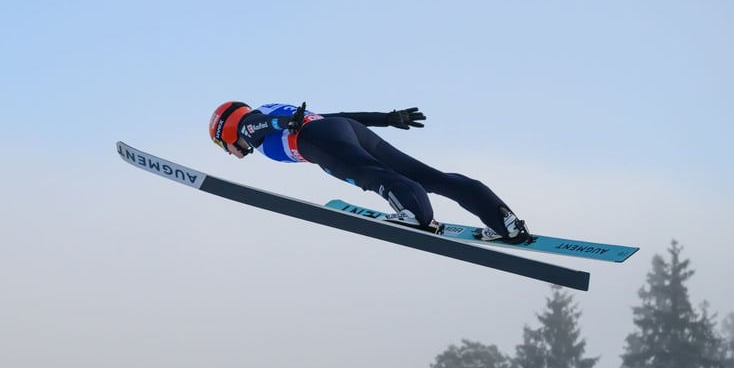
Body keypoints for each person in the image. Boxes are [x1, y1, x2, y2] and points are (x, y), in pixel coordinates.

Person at [207, 101, 531, 244]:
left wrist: (282, 125)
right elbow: (338, 115)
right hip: (343, 129)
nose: (233, 153)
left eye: (225, 146)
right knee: (430, 176)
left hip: (316, 140)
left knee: (373, 176)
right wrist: (386, 118)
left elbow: (259, 125)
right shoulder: (271, 109)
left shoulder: (251, 125)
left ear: (228, 130)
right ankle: (506, 223)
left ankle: (416, 214)